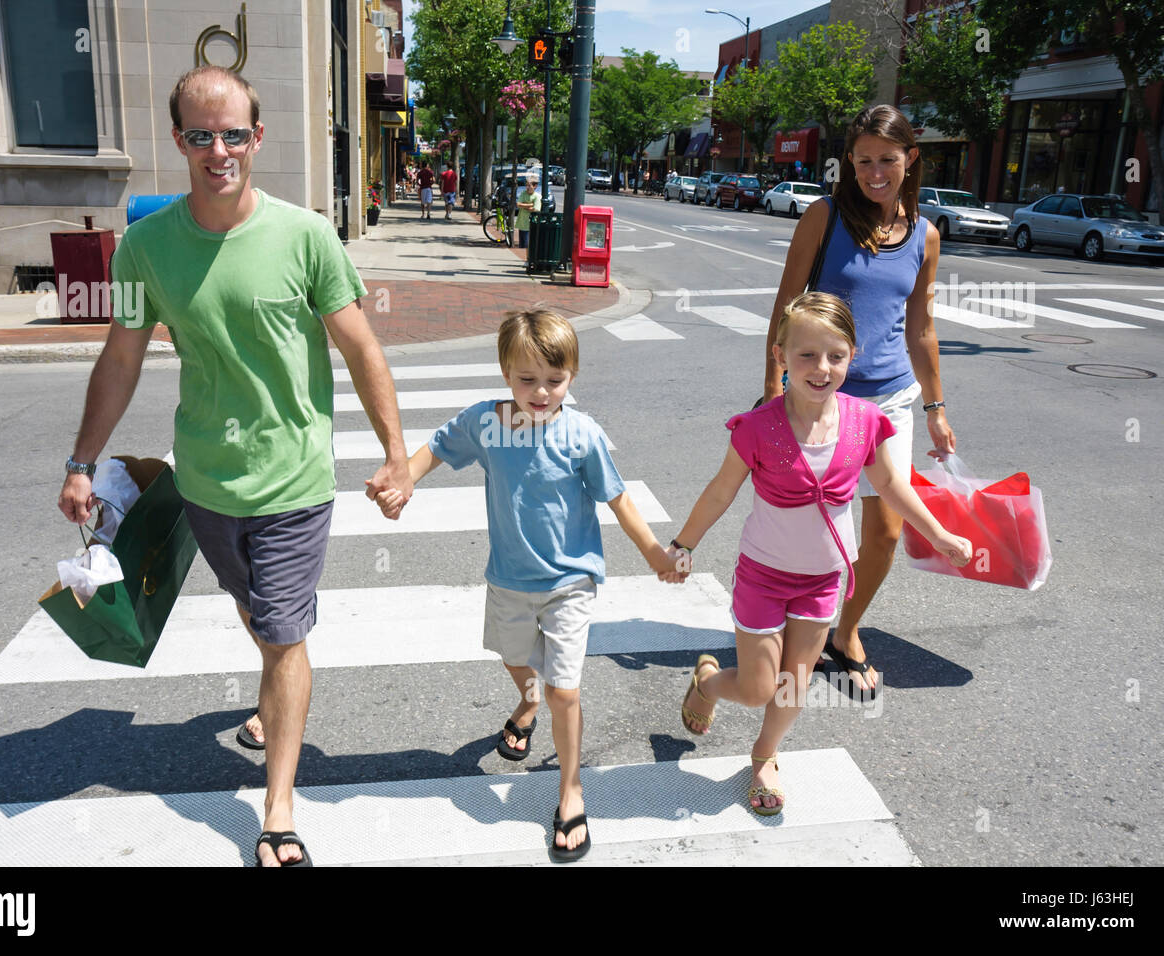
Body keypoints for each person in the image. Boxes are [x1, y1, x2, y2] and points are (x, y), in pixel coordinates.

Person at [57, 65, 413, 867]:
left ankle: (278, 808)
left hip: (292, 481)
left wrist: (397, 453)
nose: (218, 150)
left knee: (285, 636)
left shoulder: (306, 235)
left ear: (259, 136)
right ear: (178, 140)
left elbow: (360, 347)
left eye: (234, 134)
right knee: (258, 617)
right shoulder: (145, 248)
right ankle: (270, 702)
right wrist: (82, 462)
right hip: (205, 484)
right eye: (199, 135)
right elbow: (121, 359)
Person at [372, 309, 681, 861]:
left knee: (567, 688)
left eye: (554, 381)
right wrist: (404, 482)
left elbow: (618, 498)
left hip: (570, 581)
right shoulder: (488, 424)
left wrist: (655, 552)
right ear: (505, 372)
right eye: (526, 379)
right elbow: (438, 446)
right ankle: (527, 699)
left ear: (573, 376)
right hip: (509, 579)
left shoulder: (581, 433)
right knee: (514, 656)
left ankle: (569, 792)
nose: (540, 393)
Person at [671, 292, 971, 814]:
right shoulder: (758, 427)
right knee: (759, 686)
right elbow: (721, 491)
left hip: (823, 578)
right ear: (780, 355)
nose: (821, 367)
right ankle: (709, 682)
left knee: (794, 684)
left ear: (853, 355)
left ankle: (764, 755)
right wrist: (683, 544)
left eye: (835, 355)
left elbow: (892, 487)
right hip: (763, 574)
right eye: (806, 354)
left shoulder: (863, 421)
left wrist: (940, 533)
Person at [761, 104, 954, 700]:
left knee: (887, 532)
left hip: (891, 397)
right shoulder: (823, 217)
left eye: (887, 160)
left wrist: (935, 408)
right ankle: (801, 621)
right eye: (864, 160)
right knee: (816, 524)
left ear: (910, 159)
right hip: (822, 393)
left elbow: (920, 328)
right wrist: (774, 391)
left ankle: (845, 633)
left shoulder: (925, 235)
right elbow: (787, 306)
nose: (875, 172)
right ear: (850, 161)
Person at [515, 172, 541, 249]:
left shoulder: (537, 196)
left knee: (527, 246)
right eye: (526, 185)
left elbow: (536, 209)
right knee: (522, 245)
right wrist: (530, 204)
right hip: (522, 224)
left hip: (530, 225)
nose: (527, 187)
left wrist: (524, 205)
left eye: (529, 185)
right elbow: (518, 204)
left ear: (535, 186)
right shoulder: (523, 193)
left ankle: (527, 260)